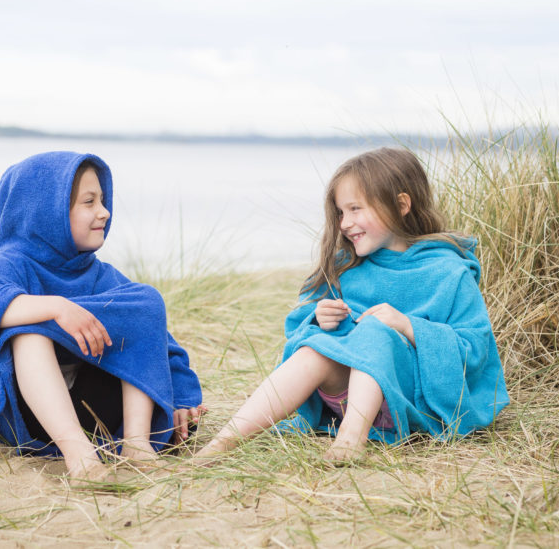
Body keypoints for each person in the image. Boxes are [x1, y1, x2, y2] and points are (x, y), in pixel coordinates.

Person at [197, 147, 508, 462]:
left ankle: (350, 442)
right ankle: (221, 444)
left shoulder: (448, 272)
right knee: (314, 350)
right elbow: (300, 325)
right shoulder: (347, 266)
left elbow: (475, 349)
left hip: (410, 402)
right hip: (341, 399)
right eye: (341, 212)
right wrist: (319, 318)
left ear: (400, 205)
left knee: (375, 331)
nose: (345, 223)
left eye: (355, 209)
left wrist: (407, 326)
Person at [0, 151, 204, 479]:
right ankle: (80, 458)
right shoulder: (12, 264)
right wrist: (57, 308)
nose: (104, 212)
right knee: (29, 332)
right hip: (27, 415)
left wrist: (184, 397)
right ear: (48, 212)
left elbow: (158, 341)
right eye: (89, 202)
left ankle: (136, 444)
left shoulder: (100, 275)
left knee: (145, 301)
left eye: (102, 199)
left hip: (95, 408)